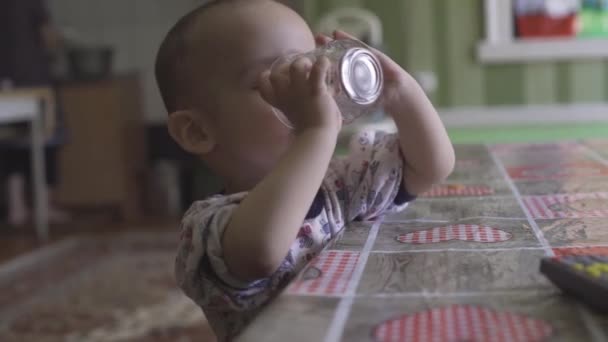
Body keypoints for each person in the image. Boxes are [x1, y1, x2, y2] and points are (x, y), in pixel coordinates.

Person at [154, 0, 455, 340]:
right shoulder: (209, 229)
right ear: (198, 131)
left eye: (309, 67)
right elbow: (261, 253)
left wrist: (401, 89)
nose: (312, 91)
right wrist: (316, 132)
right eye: (277, 80)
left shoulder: (343, 186)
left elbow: (430, 168)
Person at [0, 0, 69, 226]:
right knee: (45, 140)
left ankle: (16, 208)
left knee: (10, 142)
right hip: (34, 79)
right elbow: (49, 38)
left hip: (5, 82)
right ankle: (44, 206)